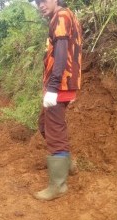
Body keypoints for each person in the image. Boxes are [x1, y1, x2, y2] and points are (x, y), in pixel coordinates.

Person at [34, 0, 82, 200]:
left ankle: (58, 185)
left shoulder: (61, 17)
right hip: (59, 84)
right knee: (45, 124)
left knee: (54, 133)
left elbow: (62, 53)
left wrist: (52, 88)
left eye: (43, 0)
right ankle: (67, 162)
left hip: (60, 85)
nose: (40, 5)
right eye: (37, 2)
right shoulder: (61, 15)